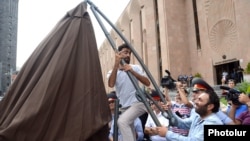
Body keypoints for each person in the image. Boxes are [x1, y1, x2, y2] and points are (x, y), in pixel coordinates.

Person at [107, 43, 151, 141]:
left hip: (138, 103)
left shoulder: (135, 67)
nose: (128, 55)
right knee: (129, 131)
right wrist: (116, 65)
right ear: (118, 54)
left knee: (122, 121)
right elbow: (111, 84)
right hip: (124, 107)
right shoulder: (113, 71)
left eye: (130, 53)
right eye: (125, 52)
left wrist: (132, 71)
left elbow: (147, 83)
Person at [156, 90, 223, 141]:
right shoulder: (198, 117)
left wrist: (167, 134)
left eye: (200, 100)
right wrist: (168, 112)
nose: (195, 102)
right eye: (197, 99)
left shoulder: (214, 123)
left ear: (210, 106)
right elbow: (183, 124)